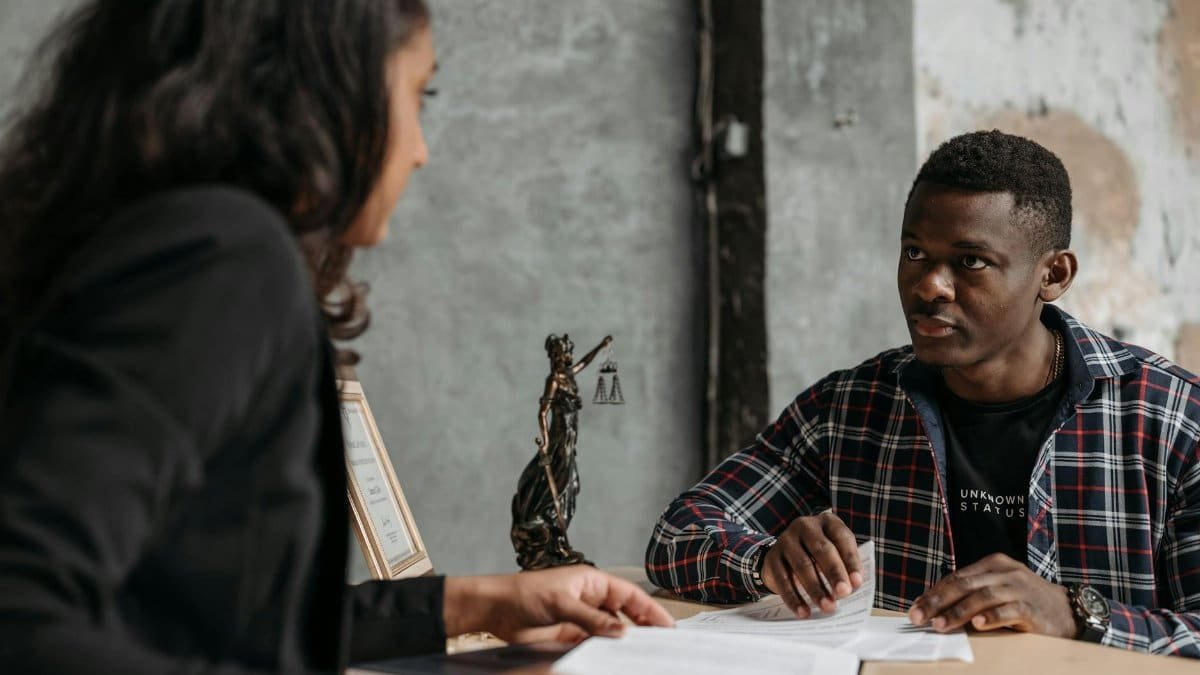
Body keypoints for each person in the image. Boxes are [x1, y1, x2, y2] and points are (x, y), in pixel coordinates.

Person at [0, 1, 671, 672]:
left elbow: (212, 623)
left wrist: (475, 603)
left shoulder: (162, 243)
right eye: (418, 94)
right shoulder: (224, 257)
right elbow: (23, 611)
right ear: (323, 91)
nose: (420, 150)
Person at [645, 130, 1200, 658]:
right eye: (915, 253)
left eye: (971, 262)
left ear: (1052, 274)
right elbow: (678, 534)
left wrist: (1079, 615)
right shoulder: (848, 409)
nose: (929, 286)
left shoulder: (1174, 421)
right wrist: (765, 559)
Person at [511, 334, 610, 570]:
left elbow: (585, 362)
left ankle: (557, 541)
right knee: (559, 484)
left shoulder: (568, 374)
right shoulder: (554, 379)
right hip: (559, 438)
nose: (570, 356)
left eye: (569, 352)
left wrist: (601, 346)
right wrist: (545, 442)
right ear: (557, 354)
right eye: (566, 352)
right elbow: (543, 411)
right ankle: (549, 534)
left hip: (570, 438)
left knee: (571, 487)